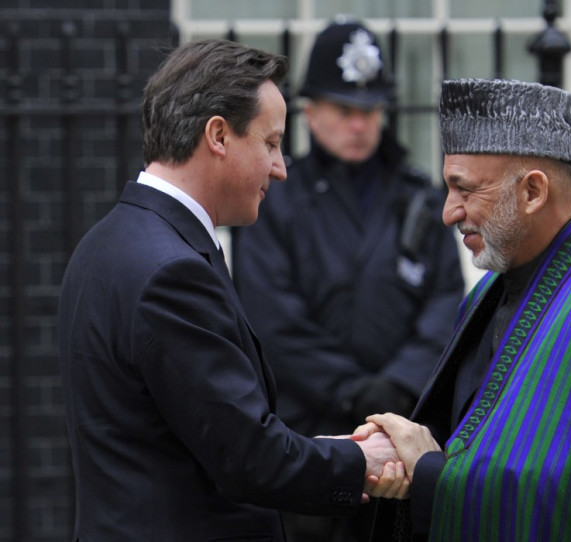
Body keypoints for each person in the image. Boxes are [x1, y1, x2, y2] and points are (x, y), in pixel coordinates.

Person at [57, 39, 409, 541]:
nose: (281, 167)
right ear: (218, 135)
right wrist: (363, 458)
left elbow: (202, 436)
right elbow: (251, 459)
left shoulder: (106, 243)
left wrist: (319, 449)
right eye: (270, 142)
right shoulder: (172, 273)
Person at [356, 78, 571, 541]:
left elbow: (563, 497)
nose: (448, 212)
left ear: (533, 192)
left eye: (465, 189)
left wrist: (428, 471)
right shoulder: (487, 292)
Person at [231, 19, 465, 541]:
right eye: (344, 110)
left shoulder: (420, 196)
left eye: (370, 110)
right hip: (309, 439)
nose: (359, 124)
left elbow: (446, 303)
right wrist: (353, 391)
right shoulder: (276, 200)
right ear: (310, 112)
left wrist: (396, 387)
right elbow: (271, 316)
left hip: (402, 440)